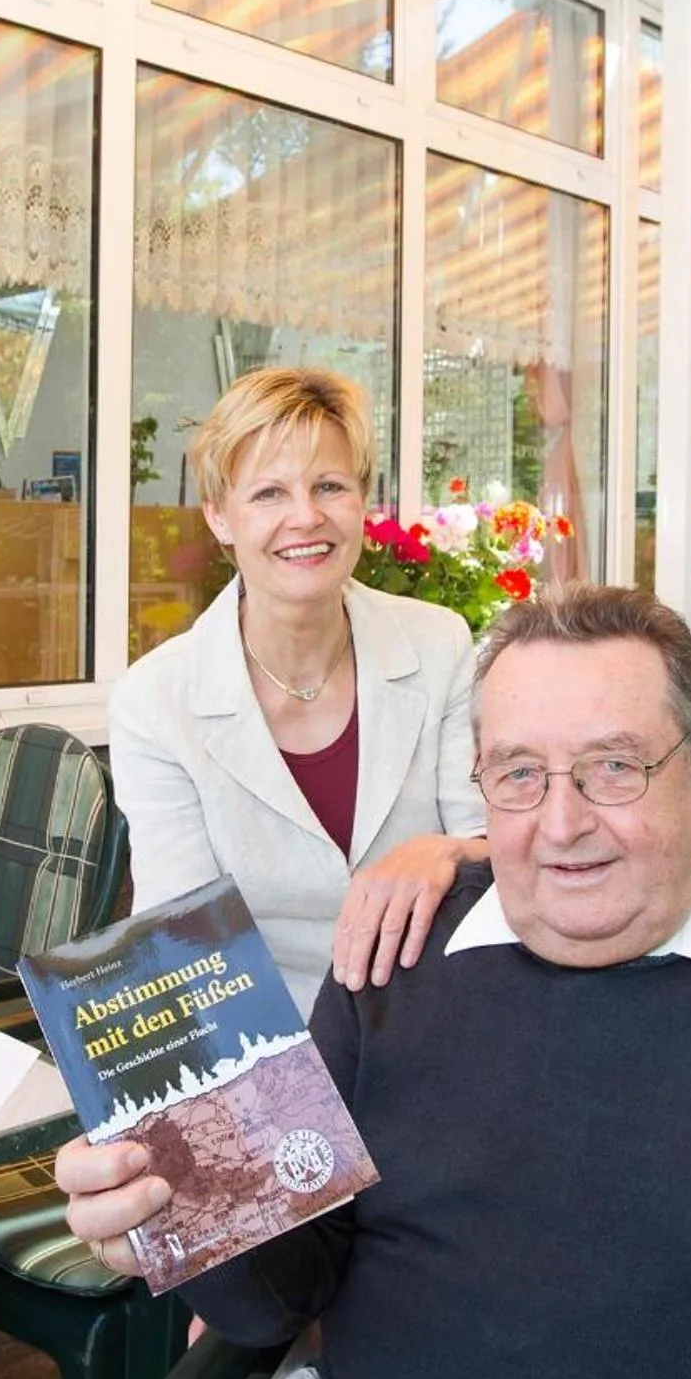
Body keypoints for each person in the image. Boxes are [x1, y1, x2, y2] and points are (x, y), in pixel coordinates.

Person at [66, 584, 691, 1379]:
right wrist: (174, 1213)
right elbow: (284, 1289)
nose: (561, 824)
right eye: (520, 774)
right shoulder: (394, 960)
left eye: (614, 767)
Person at [108, 369, 487, 1015]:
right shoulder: (155, 700)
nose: (305, 516)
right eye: (268, 493)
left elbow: (499, 845)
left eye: (329, 485)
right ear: (219, 518)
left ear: (361, 500)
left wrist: (444, 849)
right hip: (271, 1044)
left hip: (447, 1020)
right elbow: (185, 939)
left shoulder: (439, 645)